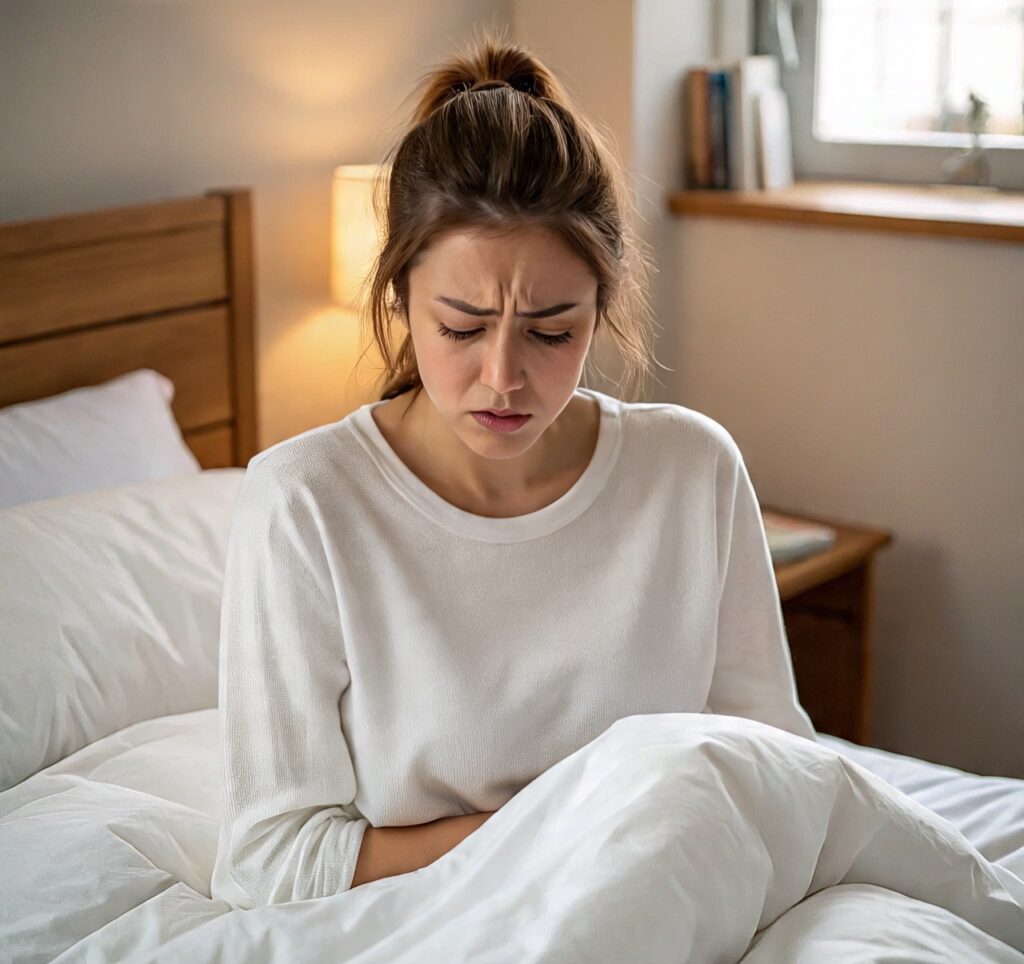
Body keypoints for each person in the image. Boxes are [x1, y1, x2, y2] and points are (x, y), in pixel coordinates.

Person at [210, 29, 816, 911]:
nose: (503, 376)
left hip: (681, 903)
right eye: (460, 327)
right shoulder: (305, 501)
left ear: (602, 309)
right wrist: (559, 832)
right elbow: (269, 862)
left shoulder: (691, 470)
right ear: (399, 296)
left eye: (552, 330)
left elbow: (778, 766)